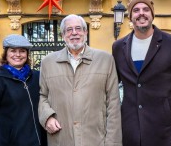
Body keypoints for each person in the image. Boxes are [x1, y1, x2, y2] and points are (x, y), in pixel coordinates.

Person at [112, 0, 171, 146]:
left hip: (164, 130)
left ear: (152, 14)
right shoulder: (118, 47)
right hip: (130, 130)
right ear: (130, 17)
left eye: (145, 9)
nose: (141, 13)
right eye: (136, 10)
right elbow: (112, 86)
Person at [38, 14, 122, 146]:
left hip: (96, 139)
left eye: (78, 28)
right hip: (61, 139)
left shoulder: (105, 60)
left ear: (85, 32)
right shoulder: (48, 62)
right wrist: (47, 117)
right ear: (63, 35)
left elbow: (113, 103)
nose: (74, 33)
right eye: (69, 30)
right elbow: (43, 96)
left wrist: (112, 143)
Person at [0, 34, 47, 146]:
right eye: (13, 51)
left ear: (27, 54)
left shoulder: (37, 77)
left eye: (22, 51)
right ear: (6, 53)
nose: (18, 55)